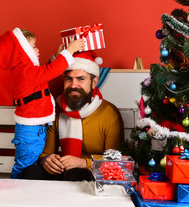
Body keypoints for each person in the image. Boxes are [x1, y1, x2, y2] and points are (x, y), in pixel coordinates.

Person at [0, 27, 85, 179]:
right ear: (23, 52)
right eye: (34, 46)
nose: (38, 49)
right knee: (24, 166)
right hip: (30, 130)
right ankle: (14, 189)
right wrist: (69, 51)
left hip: (33, 128)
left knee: (29, 163)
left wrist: (59, 55)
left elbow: (45, 72)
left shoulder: (27, 71)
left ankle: (19, 189)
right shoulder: (26, 72)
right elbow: (50, 71)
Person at [21, 50, 124, 181]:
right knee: (31, 172)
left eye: (81, 79)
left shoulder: (109, 114)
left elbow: (116, 160)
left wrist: (83, 163)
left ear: (94, 82)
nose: (73, 85)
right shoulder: (57, 109)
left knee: (76, 173)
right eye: (69, 79)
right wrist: (47, 160)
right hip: (62, 170)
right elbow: (46, 153)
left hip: (93, 174)